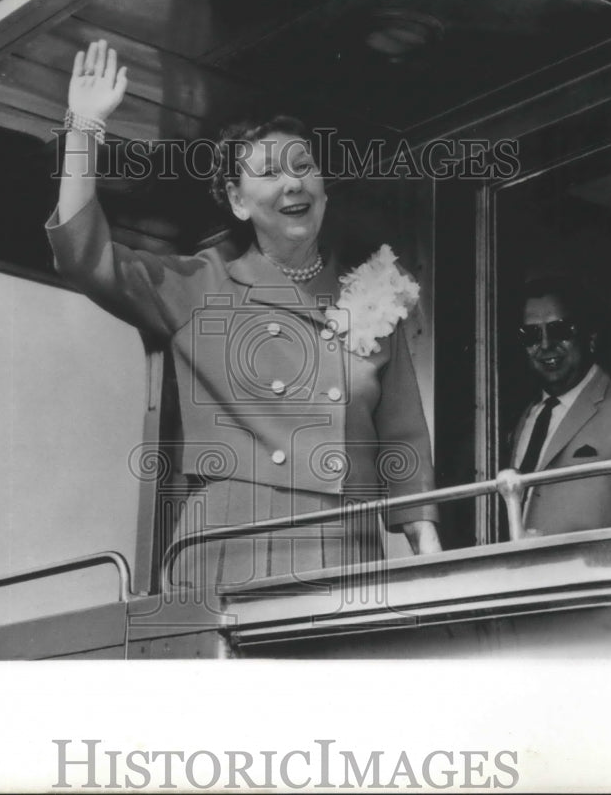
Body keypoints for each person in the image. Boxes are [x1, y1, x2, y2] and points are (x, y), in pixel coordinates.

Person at [45, 39, 442, 594]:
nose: (293, 183)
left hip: (344, 548)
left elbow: (404, 439)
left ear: (324, 189)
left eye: (304, 166)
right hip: (232, 548)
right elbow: (84, 258)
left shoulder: (374, 294)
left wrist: (426, 546)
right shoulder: (200, 282)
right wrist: (83, 129)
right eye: (270, 173)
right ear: (236, 200)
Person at [507, 276, 611, 535]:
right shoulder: (528, 417)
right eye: (531, 335)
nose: (546, 345)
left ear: (590, 336)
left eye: (561, 330)